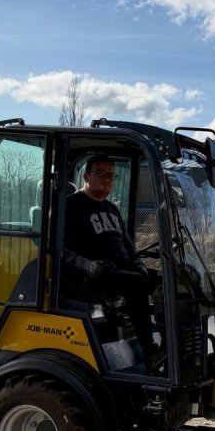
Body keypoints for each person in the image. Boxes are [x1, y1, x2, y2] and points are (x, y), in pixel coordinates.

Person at [61, 155, 161, 371]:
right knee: (135, 284)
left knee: (168, 280)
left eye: (111, 175)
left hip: (118, 274)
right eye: (100, 173)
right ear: (87, 175)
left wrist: (139, 264)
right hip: (90, 277)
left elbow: (128, 246)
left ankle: (171, 343)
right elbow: (58, 251)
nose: (107, 179)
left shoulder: (112, 209)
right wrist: (88, 265)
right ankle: (149, 349)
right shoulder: (71, 206)